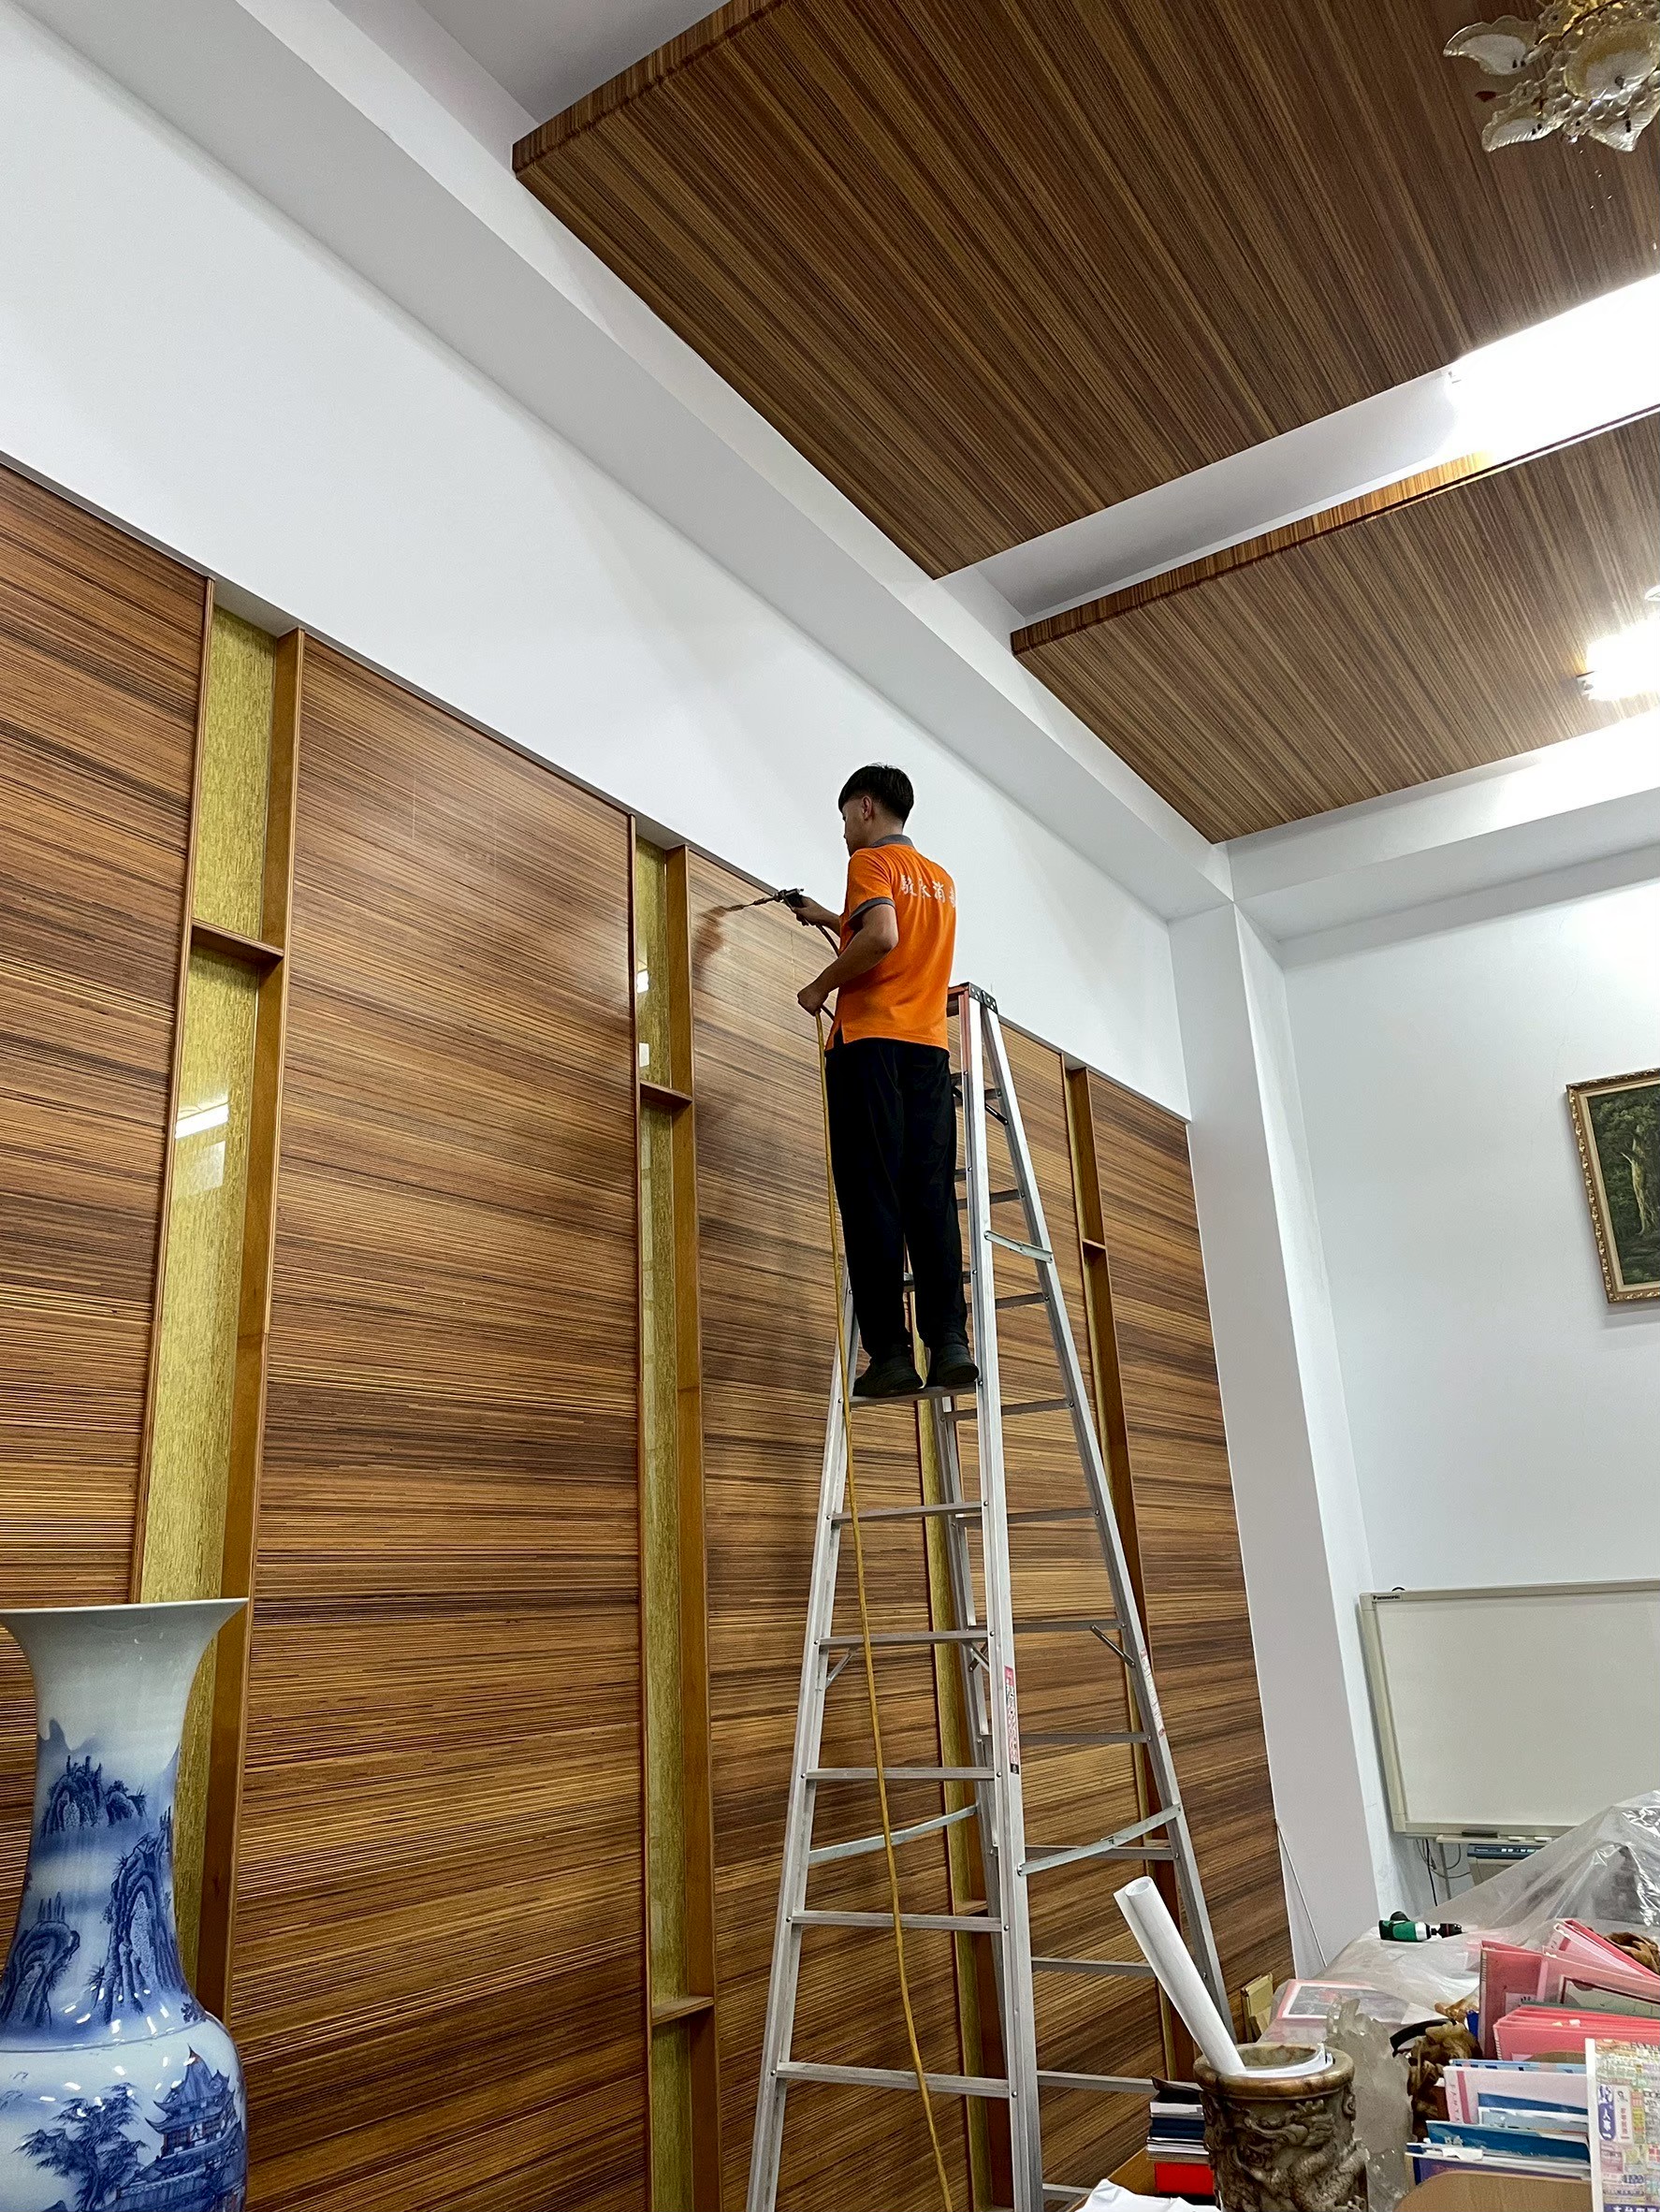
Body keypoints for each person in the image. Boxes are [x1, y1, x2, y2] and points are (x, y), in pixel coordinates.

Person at [793, 764, 979, 1399]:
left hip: (869, 1048)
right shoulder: (941, 881)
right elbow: (894, 941)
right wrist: (828, 917)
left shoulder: (869, 863)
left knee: (872, 1195)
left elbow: (882, 935)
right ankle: (949, 1343)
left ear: (866, 807)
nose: (845, 831)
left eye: (846, 816)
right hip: (926, 1052)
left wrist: (819, 987)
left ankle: (891, 1356)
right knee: (929, 1195)